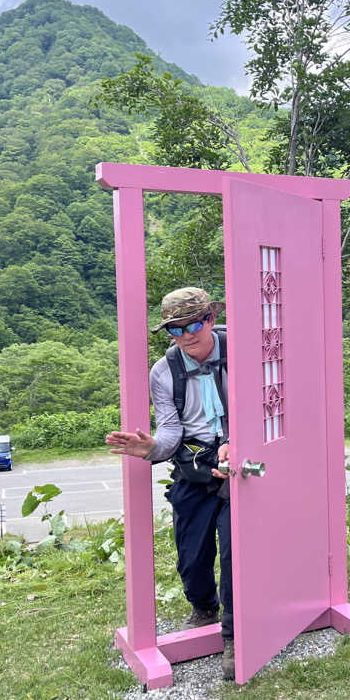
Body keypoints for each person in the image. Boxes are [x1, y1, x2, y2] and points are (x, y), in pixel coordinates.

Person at [105, 287, 235, 680]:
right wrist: (149, 448)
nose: (186, 335)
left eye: (194, 324)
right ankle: (204, 606)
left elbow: (264, 403)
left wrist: (237, 441)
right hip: (193, 464)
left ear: (211, 318)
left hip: (239, 460)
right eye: (175, 329)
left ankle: (234, 636)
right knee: (192, 556)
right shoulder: (164, 372)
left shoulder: (242, 350)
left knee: (234, 552)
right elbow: (170, 431)